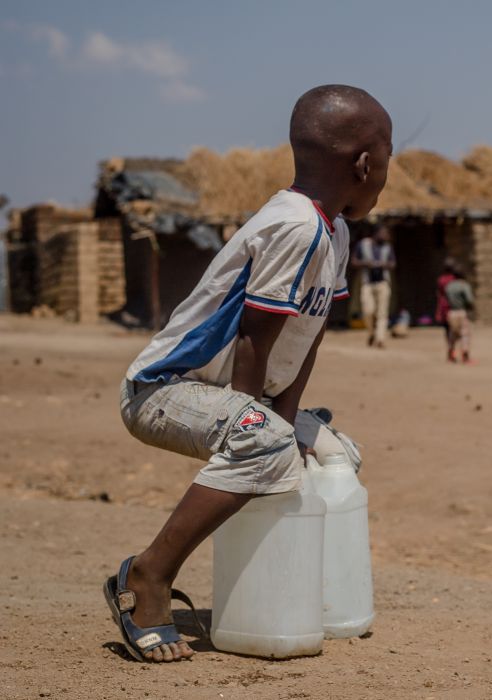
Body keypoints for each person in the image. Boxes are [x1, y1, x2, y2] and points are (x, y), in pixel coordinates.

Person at [104, 84, 392, 663]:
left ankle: (307, 599)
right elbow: (252, 342)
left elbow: (305, 340)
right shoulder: (296, 226)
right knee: (265, 442)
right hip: (165, 390)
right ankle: (147, 577)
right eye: (388, 158)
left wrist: (285, 422)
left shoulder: (334, 230)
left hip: (231, 397)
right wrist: (264, 427)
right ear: (365, 163)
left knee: (337, 453)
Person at [352, 225, 395, 348]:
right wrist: (366, 263)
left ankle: (380, 338)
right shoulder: (363, 244)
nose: (386, 236)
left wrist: (384, 264)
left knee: (382, 313)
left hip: (383, 283)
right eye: (384, 233)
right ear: (376, 233)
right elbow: (354, 261)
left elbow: (393, 264)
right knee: (368, 311)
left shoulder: (388, 247)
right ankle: (371, 333)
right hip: (367, 283)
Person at [444, 265, 475, 364]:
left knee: (452, 334)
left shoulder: (449, 286)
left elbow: (446, 297)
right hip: (461, 312)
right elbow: (469, 300)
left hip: (451, 313)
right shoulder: (464, 285)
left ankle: (451, 354)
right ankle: (465, 356)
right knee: (465, 334)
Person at [435, 257, 457, 355]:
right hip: (452, 306)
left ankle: (450, 347)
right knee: (454, 328)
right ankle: (452, 348)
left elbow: (439, 293)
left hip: (444, 305)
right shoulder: (454, 280)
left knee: (447, 329)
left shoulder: (441, 279)